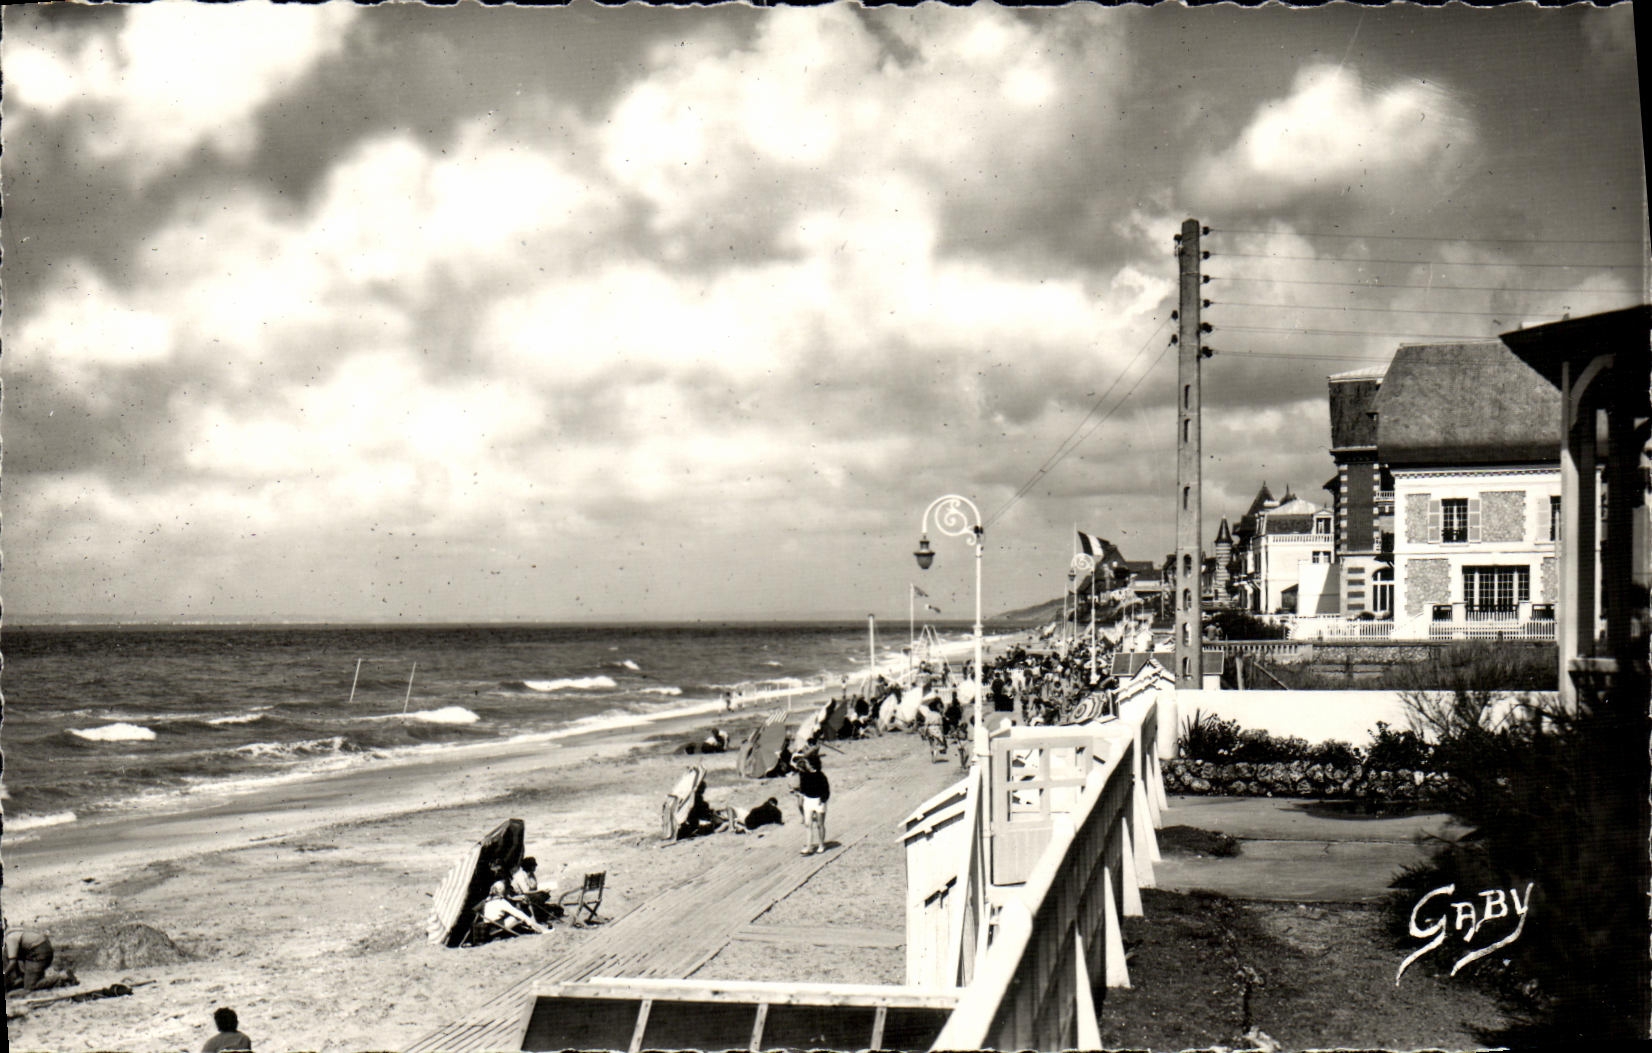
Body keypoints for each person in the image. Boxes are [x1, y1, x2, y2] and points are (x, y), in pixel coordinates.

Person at [4, 922, 72, 993]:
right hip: (39, 950)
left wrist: (5, 975)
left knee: (30, 986)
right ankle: (30, 978)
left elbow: (12, 962)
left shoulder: (10, 939)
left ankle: (62, 977)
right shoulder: (13, 935)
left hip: (39, 953)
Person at [792, 751, 830, 856]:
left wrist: (822, 800)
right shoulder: (804, 774)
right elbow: (803, 788)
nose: (806, 764)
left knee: (820, 824)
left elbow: (826, 791)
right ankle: (809, 846)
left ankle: (821, 845)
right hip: (808, 801)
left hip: (818, 802)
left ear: (812, 764)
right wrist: (800, 794)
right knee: (807, 824)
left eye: (807, 762)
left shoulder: (821, 776)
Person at [480, 878, 549, 937]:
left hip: (489, 927)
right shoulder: (501, 901)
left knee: (515, 915)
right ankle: (540, 929)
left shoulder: (487, 901)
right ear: (502, 891)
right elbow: (516, 913)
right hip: (498, 926)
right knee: (520, 915)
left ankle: (534, 927)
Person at [510, 857, 563, 924]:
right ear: (529, 866)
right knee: (539, 897)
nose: (535, 867)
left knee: (545, 895)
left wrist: (543, 889)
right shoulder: (520, 876)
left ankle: (540, 912)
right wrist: (540, 891)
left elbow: (534, 887)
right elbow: (525, 891)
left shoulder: (531, 874)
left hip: (529, 893)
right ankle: (539, 914)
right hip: (520, 895)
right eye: (534, 866)